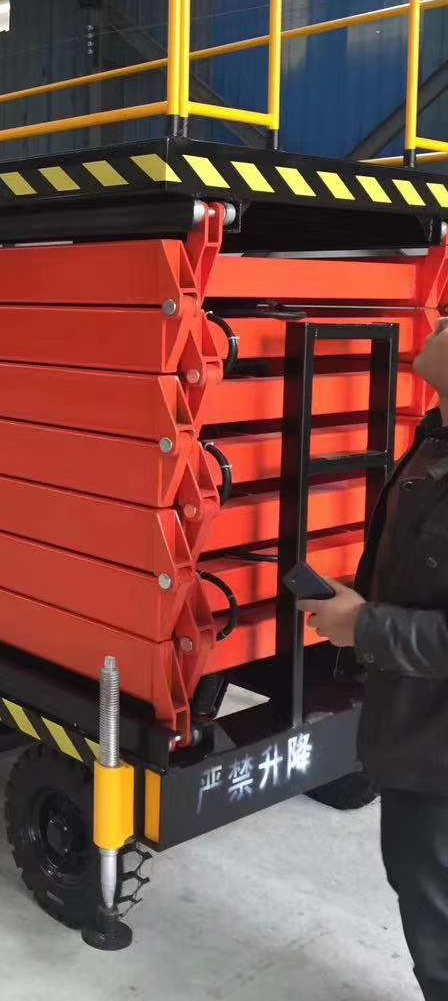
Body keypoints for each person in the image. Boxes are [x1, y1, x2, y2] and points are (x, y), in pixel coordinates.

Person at [300, 317, 448, 1001]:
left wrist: (367, 626)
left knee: (432, 895)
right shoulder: (435, 438)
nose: (440, 320)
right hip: (412, 724)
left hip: (437, 748)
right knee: (418, 877)